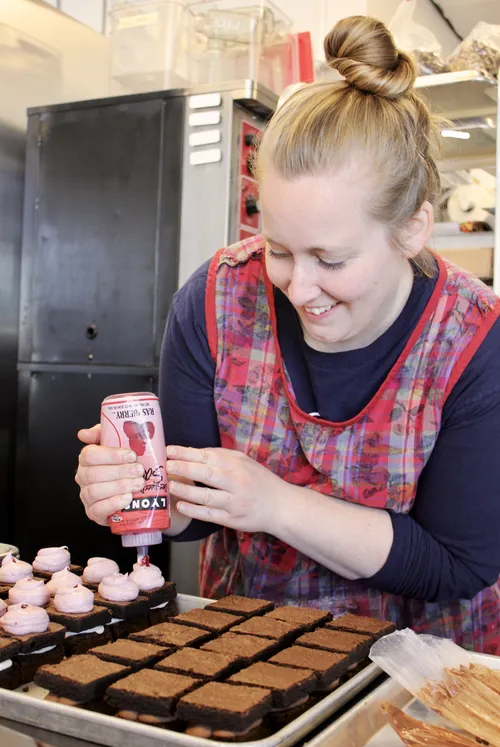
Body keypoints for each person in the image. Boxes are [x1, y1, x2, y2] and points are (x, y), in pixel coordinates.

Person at [75, 15, 500, 654]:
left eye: (331, 260)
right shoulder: (217, 300)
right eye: (278, 249)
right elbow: (189, 515)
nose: (299, 289)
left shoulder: (472, 341)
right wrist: (141, 491)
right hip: (248, 653)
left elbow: (456, 567)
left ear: (413, 228)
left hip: (424, 674)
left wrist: (275, 505)